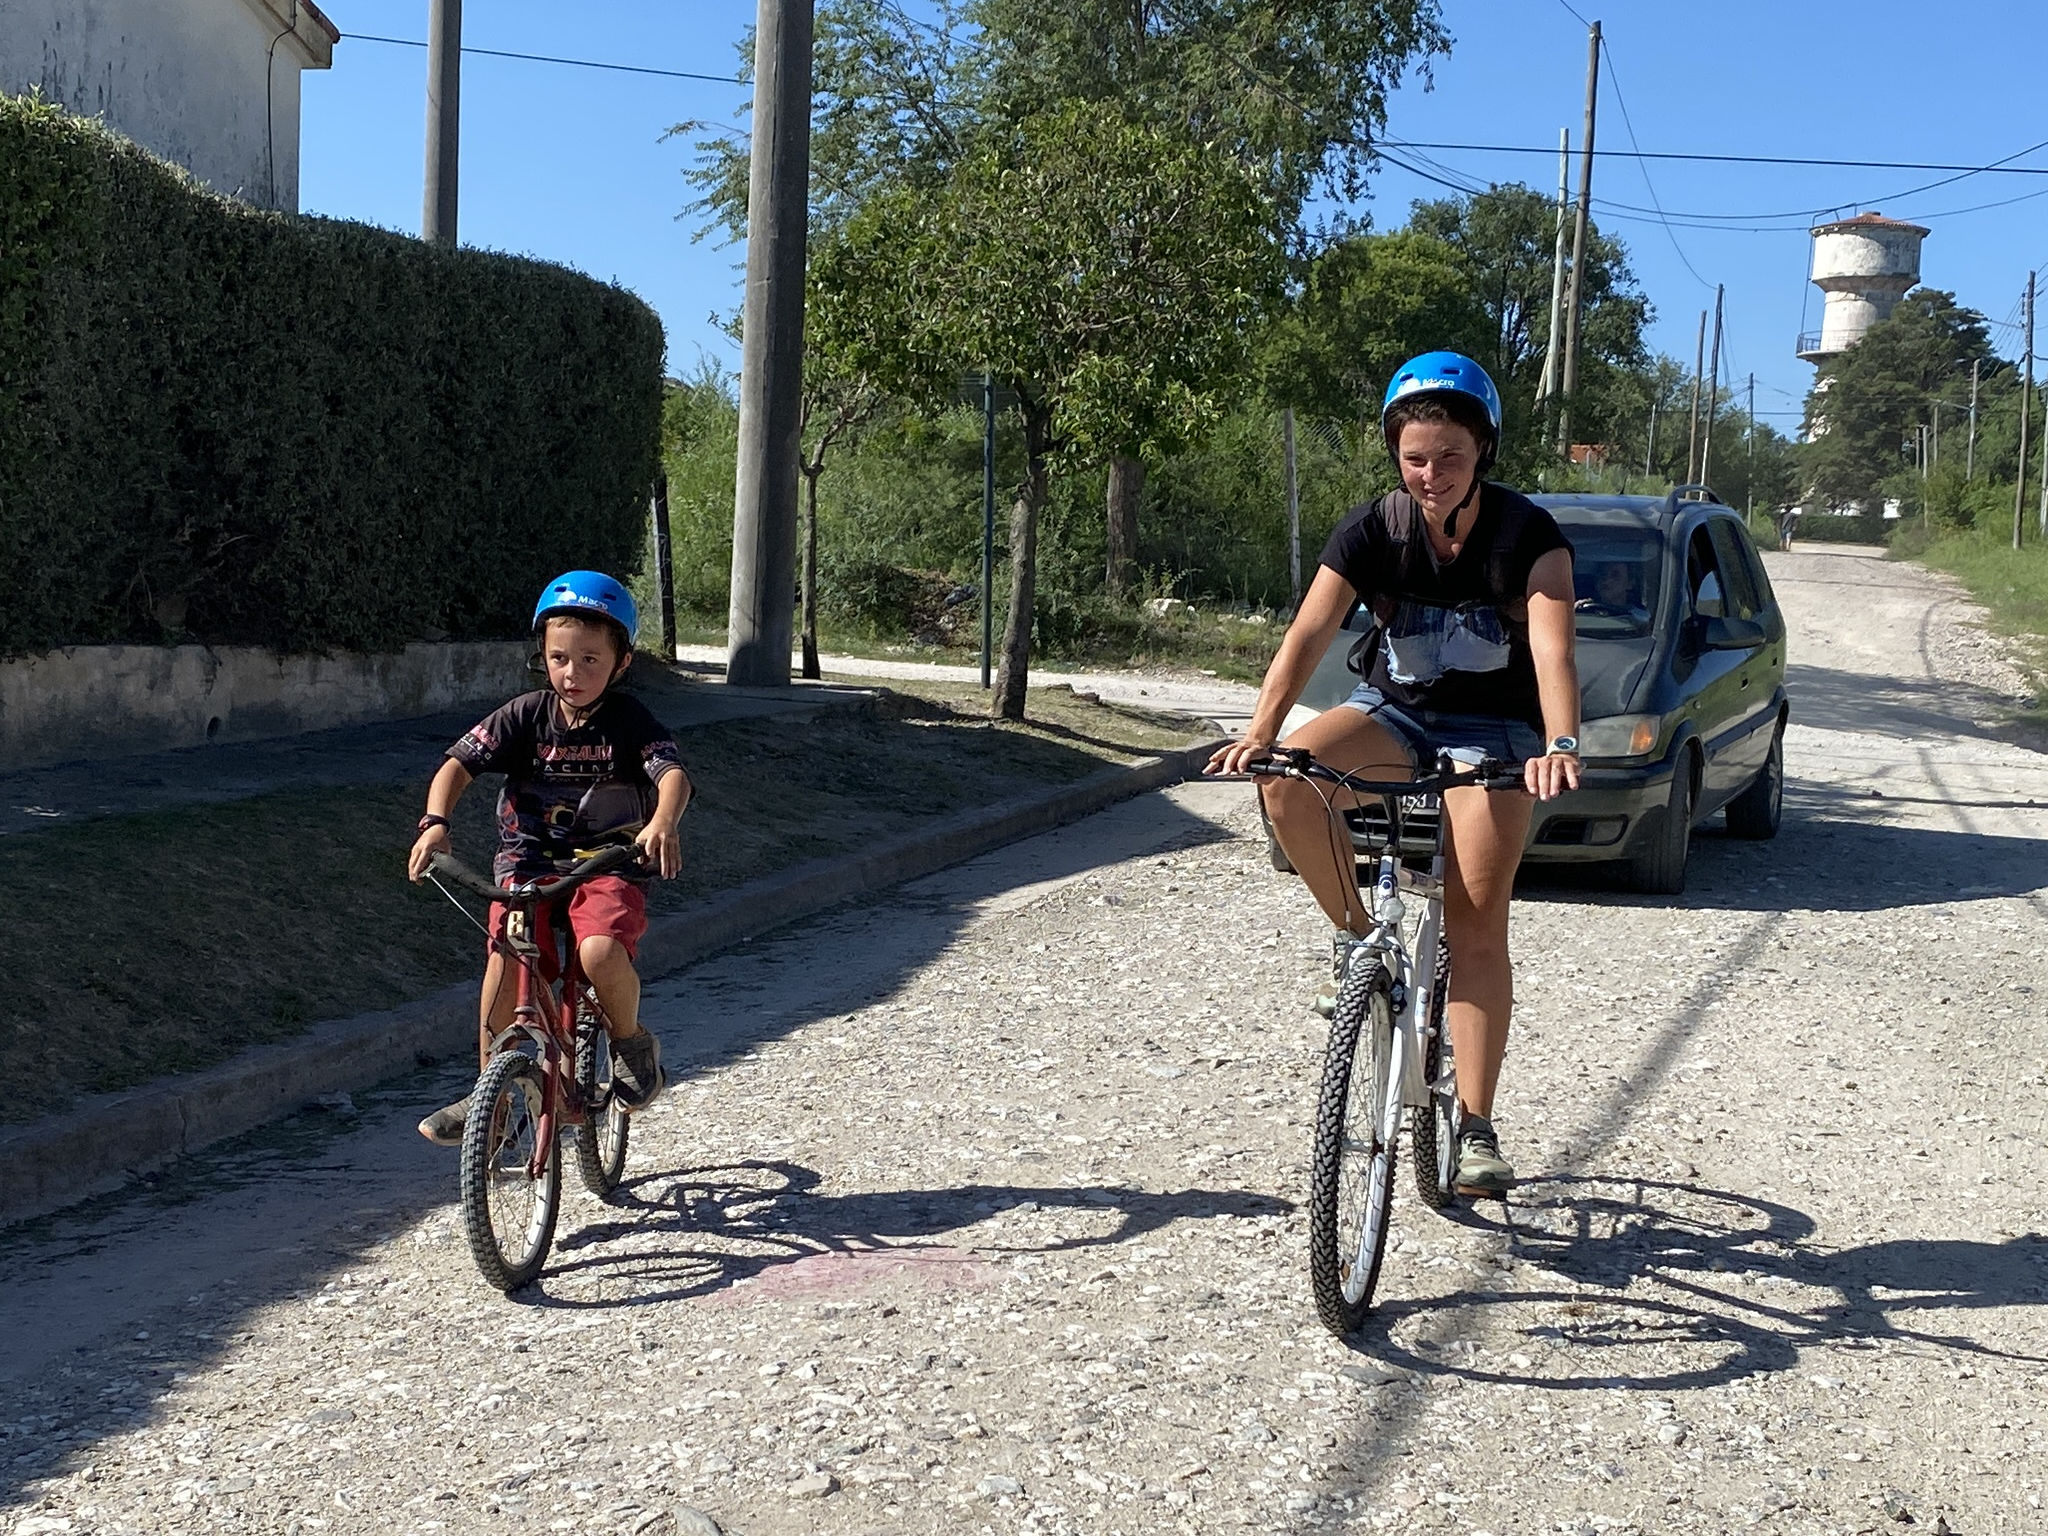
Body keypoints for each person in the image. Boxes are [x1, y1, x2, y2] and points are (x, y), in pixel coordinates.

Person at [1209, 352, 1581, 1197]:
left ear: (1482, 450)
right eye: (1415, 456)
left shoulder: (1528, 537)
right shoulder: (1372, 528)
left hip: (1496, 732)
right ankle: (1354, 942)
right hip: (1398, 713)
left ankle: (1476, 1128)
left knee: (1477, 918)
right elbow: (1308, 634)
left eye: (1449, 455)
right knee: (1288, 781)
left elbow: (1556, 648)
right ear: (1396, 453)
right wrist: (1262, 732)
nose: (1431, 473)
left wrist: (1559, 742)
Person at [407, 570, 694, 1145]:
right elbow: (456, 766)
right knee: (507, 959)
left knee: (599, 951)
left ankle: (632, 1043)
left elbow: (672, 775)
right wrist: (436, 823)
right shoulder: (524, 714)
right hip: (527, 864)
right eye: (560, 657)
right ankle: (489, 1090)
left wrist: (663, 821)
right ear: (542, 654)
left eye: (591, 659)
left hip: (608, 863)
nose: (573, 672)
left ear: (622, 663)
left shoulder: (629, 721)